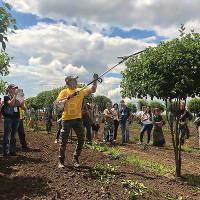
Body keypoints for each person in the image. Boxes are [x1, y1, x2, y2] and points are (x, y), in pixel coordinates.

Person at [56, 74, 98, 168]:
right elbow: (56, 102)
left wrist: (95, 80)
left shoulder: (80, 91)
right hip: (66, 119)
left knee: (81, 139)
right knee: (63, 141)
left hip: (77, 119)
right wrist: (68, 97)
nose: (76, 81)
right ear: (69, 82)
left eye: (76, 80)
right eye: (74, 80)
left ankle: (75, 158)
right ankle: (61, 161)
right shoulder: (64, 91)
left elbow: (93, 90)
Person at [1, 84, 25, 157]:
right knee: (6, 135)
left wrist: (21, 99)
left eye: (16, 88)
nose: (15, 89)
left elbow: (22, 107)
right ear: (9, 89)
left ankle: (11, 151)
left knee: (13, 136)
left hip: (16, 118)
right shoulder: (6, 97)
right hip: (8, 118)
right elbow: (11, 104)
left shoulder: (17, 97)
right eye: (14, 88)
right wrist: (15, 95)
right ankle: (4, 152)